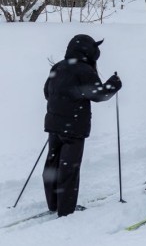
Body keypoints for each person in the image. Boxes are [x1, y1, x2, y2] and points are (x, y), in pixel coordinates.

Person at [42, 34, 122, 217]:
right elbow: (98, 95)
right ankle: (66, 211)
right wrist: (114, 84)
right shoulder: (84, 70)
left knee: (53, 164)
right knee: (69, 169)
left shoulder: (58, 67)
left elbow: (47, 92)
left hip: (54, 124)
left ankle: (54, 203)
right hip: (74, 127)